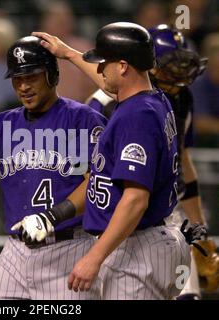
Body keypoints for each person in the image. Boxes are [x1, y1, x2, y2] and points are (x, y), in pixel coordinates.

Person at [32, 22, 191, 299]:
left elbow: (135, 199)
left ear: (123, 66)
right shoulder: (153, 99)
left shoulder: (136, 117)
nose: (101, 69)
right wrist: (69, 54)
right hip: (155, 239)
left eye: (104, 63)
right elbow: (111, 83)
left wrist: (94, 257)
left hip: (138, 245)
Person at [0, 35, 107, 299]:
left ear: (52, 76)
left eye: (31, 77)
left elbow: (97, 182)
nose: (23, 86)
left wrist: (52, 216)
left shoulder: (83, 119)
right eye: (17, 79)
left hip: (69, 247)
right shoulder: (3, 124)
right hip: (15, 251)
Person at [85, 24, 210, 300]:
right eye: (172, 65)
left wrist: (201, 232)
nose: (180, 73)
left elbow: (140, 196)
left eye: (184, 65)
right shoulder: (154, 100)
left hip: (144, 228)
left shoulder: (164, 101)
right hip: (147, 228)